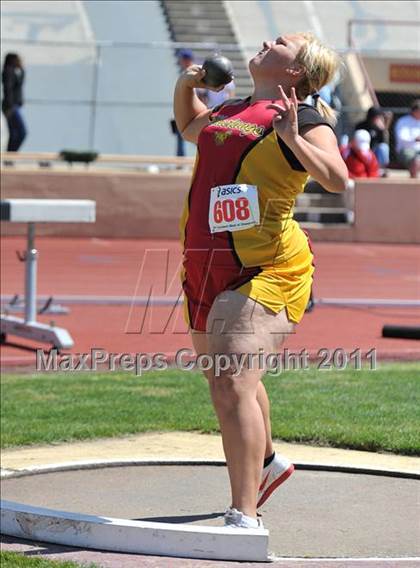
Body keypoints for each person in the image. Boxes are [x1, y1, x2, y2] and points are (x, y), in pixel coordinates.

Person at [174, 32, 347, 530]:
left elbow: (338, 179)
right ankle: (269, 462)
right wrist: (186, 85)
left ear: (296, 72)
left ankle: (243, 516)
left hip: (269, 266)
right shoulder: (234, 110)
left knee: (231, 381)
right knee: (227, 381)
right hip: (207, 264)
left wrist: (292, 138)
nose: (268, 41)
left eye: (283, 42)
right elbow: (190, 125)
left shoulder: (303, 118)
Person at [171, 49, 196, 157]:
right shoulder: (185, 73)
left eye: (182, 59)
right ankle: (180, 163)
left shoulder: (195, 73)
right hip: (185, 111)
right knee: (181, 136)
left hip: (195, 112)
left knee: (200, 139)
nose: (180, 61)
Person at [2, 52, 27, 152]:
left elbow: (20, 84)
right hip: (10, 106)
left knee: (14, 133)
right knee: (22, 132)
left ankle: (9, 157)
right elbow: (8, 89)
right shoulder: (8, 71)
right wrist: (10, 107)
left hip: (13, 106)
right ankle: (10, 154)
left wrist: (22, 69)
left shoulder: (14, 71)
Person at [355, 106, 393, 171]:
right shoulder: (361, 125)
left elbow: (384, 142)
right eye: (377, 117)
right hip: (361, 150)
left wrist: (382, 130)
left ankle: (381, 169)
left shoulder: (379, 127)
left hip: (374, 151)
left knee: (383, 147)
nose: (378, 119)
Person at [394, 99, 420, 178]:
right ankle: (413, 185)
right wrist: (415, 139)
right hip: (407, 150)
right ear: (414, 111)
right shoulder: (403, 121)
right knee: (416, 161)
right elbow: (402, 138)